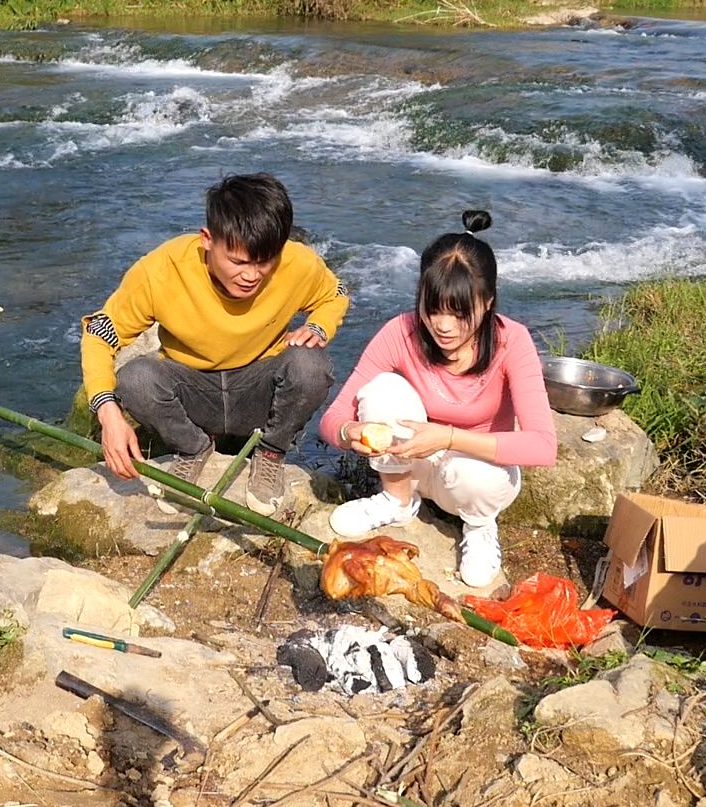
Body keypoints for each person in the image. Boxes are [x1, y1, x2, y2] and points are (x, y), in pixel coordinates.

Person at [81, 173, 350, 513]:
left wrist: (319, 326)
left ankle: (269, 454)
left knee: (311, 364)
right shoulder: (162, 270)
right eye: (238, 261)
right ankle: (192, 447)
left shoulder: (296, 262)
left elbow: (335, 293)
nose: (251, 275)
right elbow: (99, 334)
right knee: (136, 378)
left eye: (264, 262)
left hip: (257, 387)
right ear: (207, 239)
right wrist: (107, 414)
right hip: (194, 389)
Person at [317, 211, 556, 591]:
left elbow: (543, 446)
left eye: (460, 314)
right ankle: (396, 500)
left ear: (489, 301)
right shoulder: (401, 331)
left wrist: (447, 437)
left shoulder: (514, 341)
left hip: (472, 474)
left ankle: (477, 526)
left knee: (479, 476)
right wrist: (352, 432)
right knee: (381, 390)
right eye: (433, 309)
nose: (443, 326)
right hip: (411, 464)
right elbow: (332, 419)